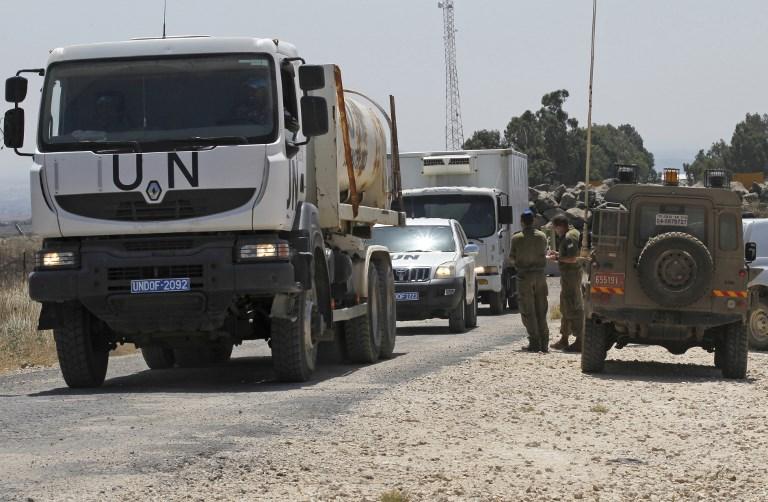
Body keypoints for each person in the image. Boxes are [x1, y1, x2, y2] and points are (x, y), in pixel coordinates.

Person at [510, 209, 550, 352]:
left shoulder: (517, 238)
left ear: (522, 222)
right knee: (541, 309)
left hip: (524, 277)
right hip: (540, 276)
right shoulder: (542, 236)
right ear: (533, 221)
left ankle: (534, 342)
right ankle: (544, 342)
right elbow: (545, 252)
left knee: (528, 310)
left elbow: (512, 257)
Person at [547, 215, 584, 352]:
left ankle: (580, 340)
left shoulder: (569, 237)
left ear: (560, 226)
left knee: (573, 306)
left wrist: (557, 257)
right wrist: (558, 254)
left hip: (571, 276)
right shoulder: (572, 234)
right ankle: (564, 339)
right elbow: (568, 255)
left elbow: (574, 258)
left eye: (555, 228)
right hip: (569, 276)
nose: (555, 231)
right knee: (565, 306)